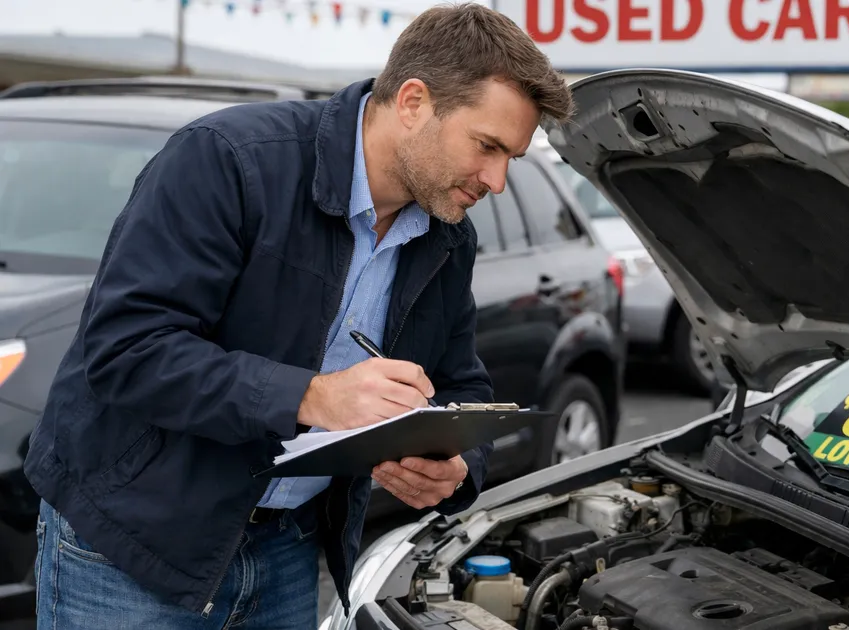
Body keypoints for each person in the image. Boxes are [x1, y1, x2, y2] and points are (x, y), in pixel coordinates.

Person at [22, 4, 574, 628]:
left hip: (287, 549)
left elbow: (460, 384)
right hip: (132, 544)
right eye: (487, 146)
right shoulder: (229, 160)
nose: (496, 181)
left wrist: (455, 466)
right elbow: (128, 350)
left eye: (511, 158)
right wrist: (314, 397)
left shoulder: (447, 237)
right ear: (414, 103)